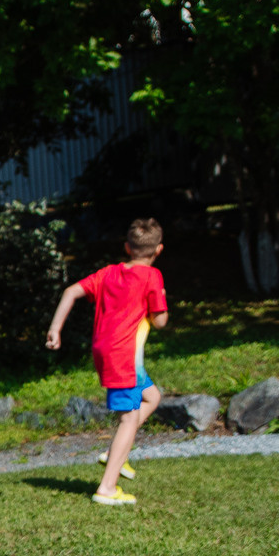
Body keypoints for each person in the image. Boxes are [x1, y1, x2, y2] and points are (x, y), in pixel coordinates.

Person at [46, 217, 170, 506]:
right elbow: (160, 321)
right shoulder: (152, 277)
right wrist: (162, 303)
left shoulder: (108, 273)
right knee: (129, 419)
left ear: (127, 247)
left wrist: (55, 328)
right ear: (159, 250)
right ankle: (107, 488)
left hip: (105, 351)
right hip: (125, 356)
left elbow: (71, 291)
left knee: (152, 397)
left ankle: (116, 453)